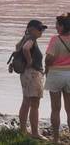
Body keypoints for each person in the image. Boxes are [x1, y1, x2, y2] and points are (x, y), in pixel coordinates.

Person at [14, 19, 47, 139]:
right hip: (33, 74)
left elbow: (18, 47)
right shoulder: (31, 39)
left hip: (25, 74)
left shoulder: (25, 38)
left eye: (42, 29)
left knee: (26, 102)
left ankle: (23, 130)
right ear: (31, 29)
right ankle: (35, 133)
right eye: (40, 29)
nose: (41, 31)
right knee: (34, 104)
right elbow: (25, 49)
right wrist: (29, 61)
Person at [46, 13, 70, 143]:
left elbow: (49, 58)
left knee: (55, 109)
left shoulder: (55, 40)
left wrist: (46, 66)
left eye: (57, 25)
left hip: (56, 74)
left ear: (62, 26)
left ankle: (55, 139)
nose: (55, 27)